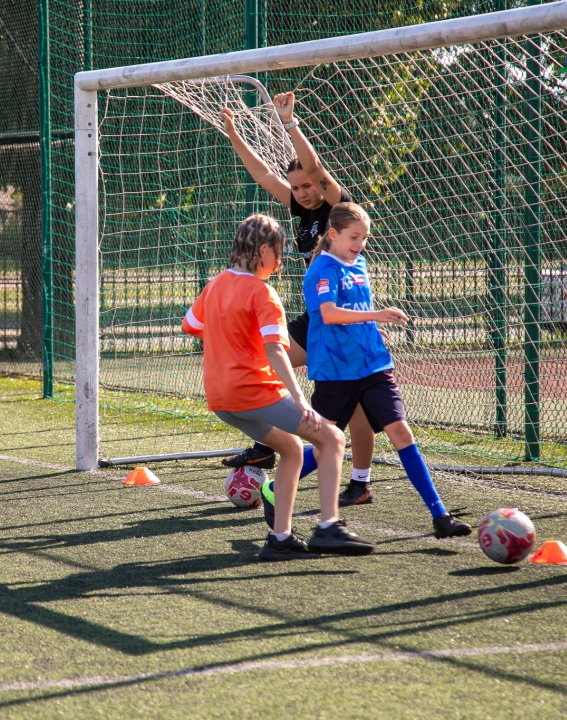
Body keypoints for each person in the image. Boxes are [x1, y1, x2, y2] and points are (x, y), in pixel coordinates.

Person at [182, 213, 374, 560]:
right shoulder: (262, 292)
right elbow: (274, 349)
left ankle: (280, 538)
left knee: (290, 449)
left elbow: (191, 324)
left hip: (221, 397)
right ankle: (329, 525)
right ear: (264, 249)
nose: (281, 260)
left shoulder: (215, 285)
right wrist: (300, 398)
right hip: (253, 390)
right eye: (280, 251)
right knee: (332, 438)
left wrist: (230, 341)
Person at [219, 93, 378, 507]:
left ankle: (358, 481)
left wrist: (290, 125)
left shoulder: (337, 209)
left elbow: (316, 169)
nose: (303, 192)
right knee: (264, 359)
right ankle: (266, 443)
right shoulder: (299, 208)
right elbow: (262, 174)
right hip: (317, 319)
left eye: (307, 186)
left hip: (344, 318)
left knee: (355, 402)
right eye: (297, 188)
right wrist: (234, 133)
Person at [301, 202, 471, 538]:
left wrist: (370, 329)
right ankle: (276, 490)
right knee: (325, 446)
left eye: (364, 238)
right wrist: (376, 316)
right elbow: (331, 314)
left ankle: (440, 515)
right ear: (332, 234)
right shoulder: (322, 268)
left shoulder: (359, 263)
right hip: (336, 373)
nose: (360, 244)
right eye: (354, 236)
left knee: (401, 432)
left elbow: (355, 309)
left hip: (374, 366)